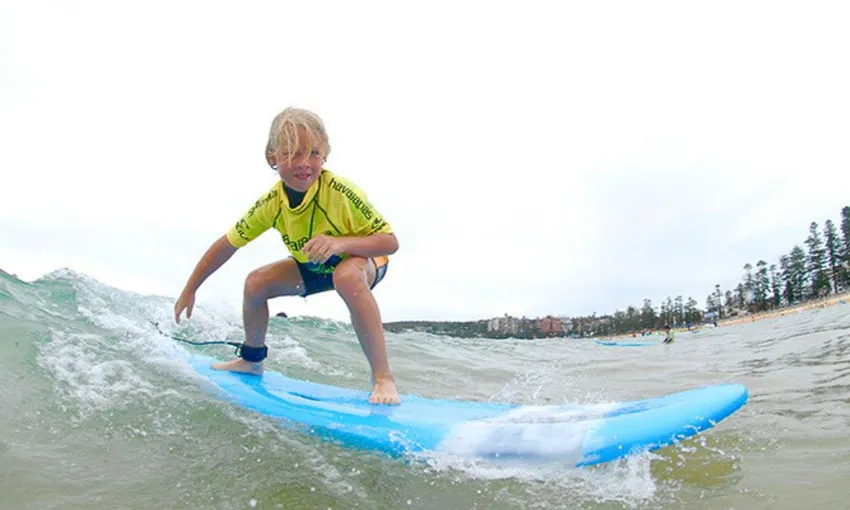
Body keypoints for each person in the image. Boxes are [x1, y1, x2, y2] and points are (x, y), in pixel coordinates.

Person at [173, 107, 401, 405]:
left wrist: (340, 244)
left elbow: (390, 242)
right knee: (256, 283)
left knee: (345, 275)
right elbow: (227, 244)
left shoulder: (341, 192)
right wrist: (191, 288)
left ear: (326, 155)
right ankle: (252, 360)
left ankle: (383, 378)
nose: (305, 164)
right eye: (293, 154)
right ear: (273, 157)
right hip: (316, 266)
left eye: (314, 154)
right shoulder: (271, 203)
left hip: (364, 260)